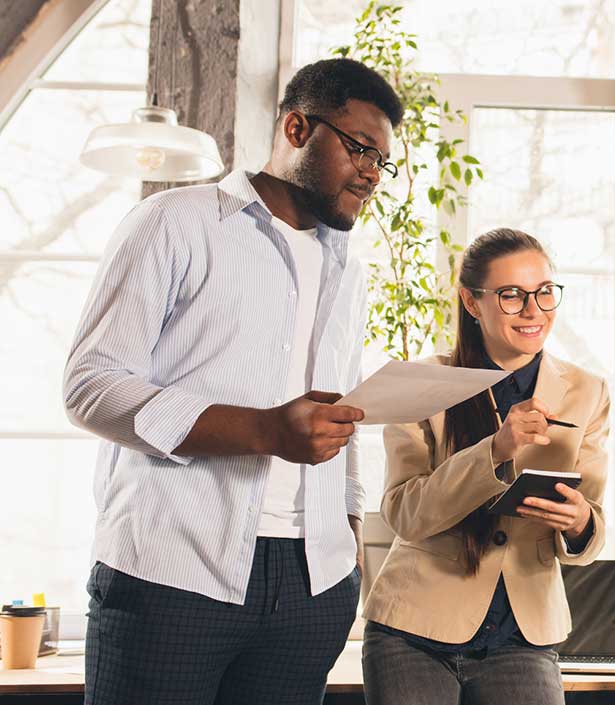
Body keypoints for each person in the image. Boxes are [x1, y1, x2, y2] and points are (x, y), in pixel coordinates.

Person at [63, 58, 403, 704]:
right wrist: (264, 428)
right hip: (171, 574)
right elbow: (91, 384)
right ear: (297, 128)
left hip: (312, 587)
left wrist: (347, 536)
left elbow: (342, 413)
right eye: (360, 148)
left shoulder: (348, 270)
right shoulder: (175, 222)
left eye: (382, 161)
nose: (370, 172)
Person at [361, 228, 609, 705]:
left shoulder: (588, 391)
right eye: (512, 295)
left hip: (523, 637)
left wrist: (579, 522)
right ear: (472, 304)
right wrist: (494, 450)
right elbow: (405, 515)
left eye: (544, 292)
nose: (534, 310)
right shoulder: (421, 383)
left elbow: (589, 522)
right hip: (412, 632)